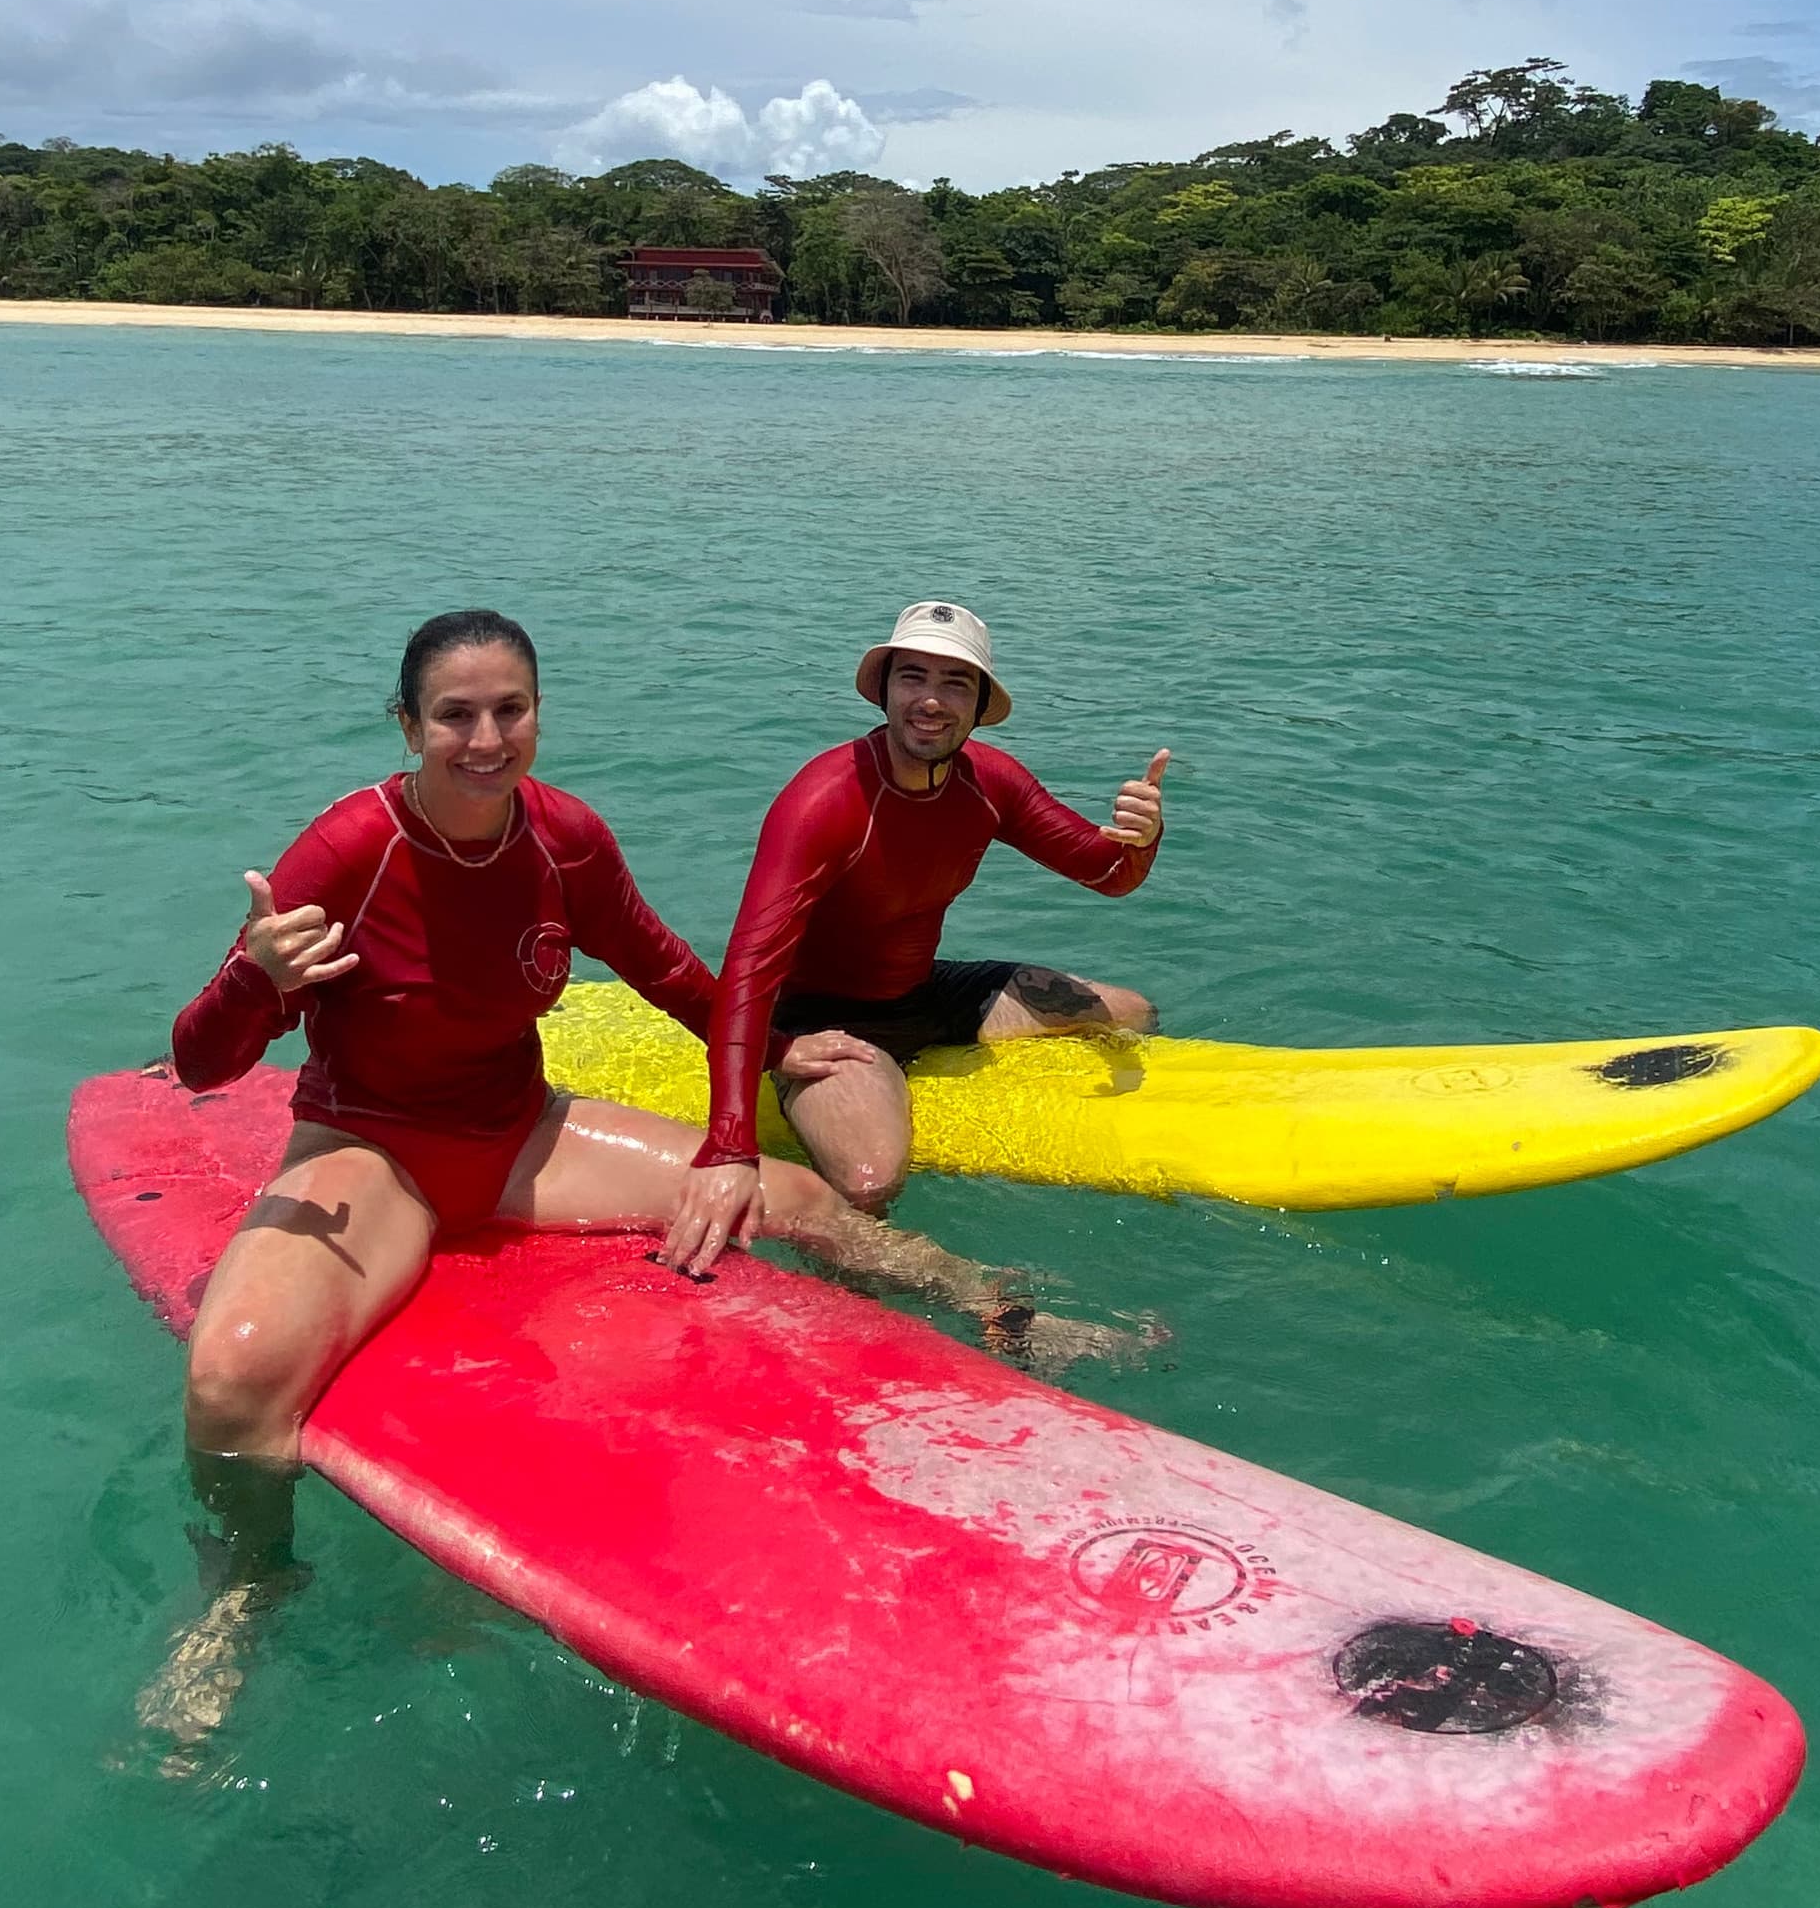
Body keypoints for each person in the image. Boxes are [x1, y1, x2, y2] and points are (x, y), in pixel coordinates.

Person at [141, 606, 1129, 1765]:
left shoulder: (564, 838)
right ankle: (247, 1593)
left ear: (538, 717)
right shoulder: (349, 849)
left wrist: (765, 1057)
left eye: (511, 710)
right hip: (373, 1151)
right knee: (232, 1376)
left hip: (519, 1136)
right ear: (408, 725)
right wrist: (257, 984)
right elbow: (201, 1062)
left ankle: (999, 1309)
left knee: (793, 1198)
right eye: (454, 715)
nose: (486, 737)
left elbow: (662, 965)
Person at [674, 601, 1167, 1259]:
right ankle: (848, 1301)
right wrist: (734, 1136)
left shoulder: (992, 782)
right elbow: (746, 973)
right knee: (870, 1181)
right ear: (884, 690)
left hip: (924, 992)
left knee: (1133, 1012)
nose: (931, 700)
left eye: (955, 682)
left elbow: (1107, 873)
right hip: (826, 1021)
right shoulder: (825, 799)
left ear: (979, 703)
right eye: (913, 677)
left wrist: (1141, 838)